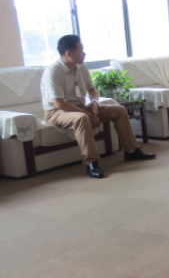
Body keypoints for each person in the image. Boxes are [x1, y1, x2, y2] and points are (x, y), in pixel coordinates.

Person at [41, 35, 156, 179]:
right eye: (81, 50)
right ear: (69, 53)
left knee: (119, 110)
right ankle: (91, 162)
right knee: (82, 118)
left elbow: (92, 90)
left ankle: (132, 151)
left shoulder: (81, 68)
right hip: (57, 112)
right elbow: (59, 103)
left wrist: (94, 103)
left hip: (79, 107)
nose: (84, 53)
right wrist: (88, 114)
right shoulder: (53, 72)